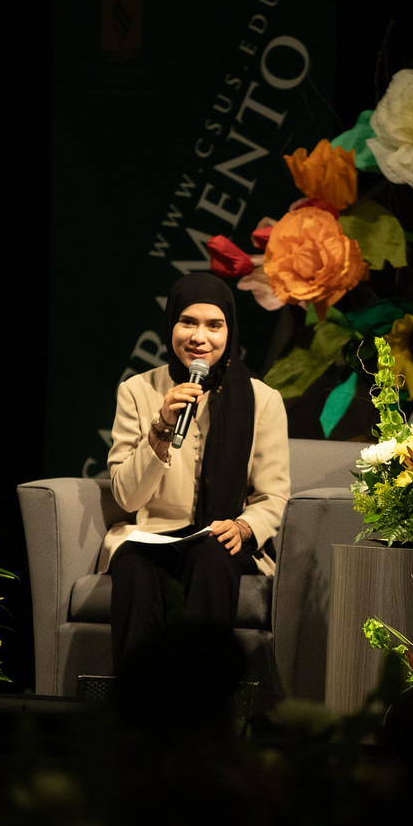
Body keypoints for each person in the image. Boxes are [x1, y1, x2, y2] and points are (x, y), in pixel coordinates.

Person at [105, 272, 290, 671]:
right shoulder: (137, 391)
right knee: (132, 564)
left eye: (214, 325)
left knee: (210, 558)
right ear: (171, 324)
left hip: (222, 535)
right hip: (153, 533)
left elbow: (272, 495)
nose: (199, 337)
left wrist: (243, 527)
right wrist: (161, 427)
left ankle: (201, 705)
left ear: (230, 330)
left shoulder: (263, 399)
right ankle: (137, 711)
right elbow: (126, 497)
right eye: (187, 322)